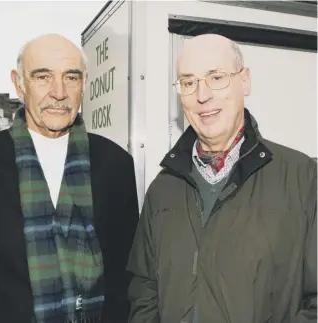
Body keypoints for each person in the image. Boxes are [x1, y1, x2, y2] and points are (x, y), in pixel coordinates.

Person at [0, 33, 139, 323]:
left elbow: (126, 275)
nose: (59, 92)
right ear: (19, 83)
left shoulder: (116, 164)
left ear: (84, 83)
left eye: (71, 77)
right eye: (43, 77)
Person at [127, 34, 317, 323]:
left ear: (245, 81)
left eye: (216, 77)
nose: (202, 95)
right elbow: (144, 288)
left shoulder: (302, 176)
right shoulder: (163, 188)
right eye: (189, 82)